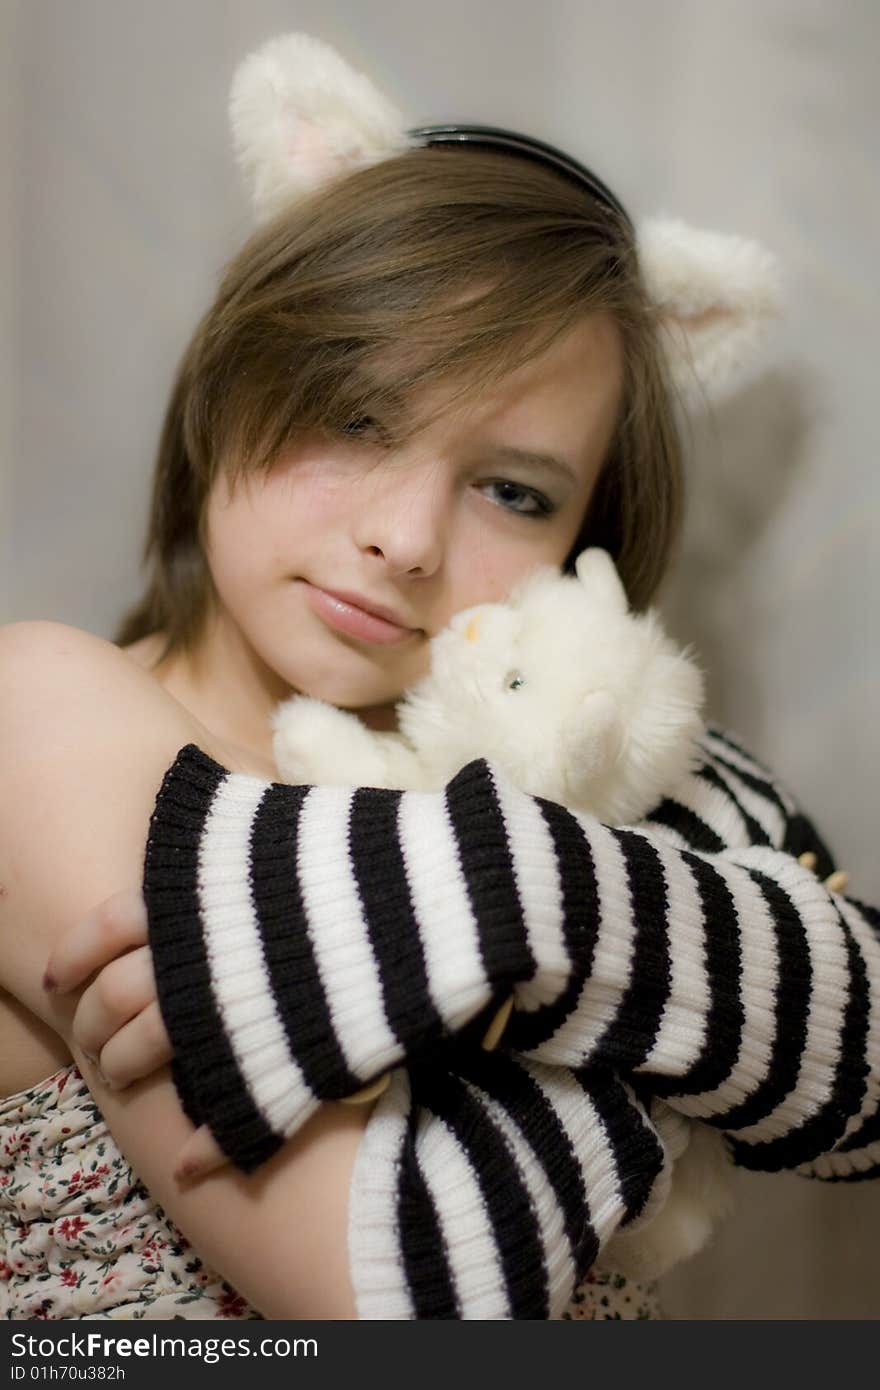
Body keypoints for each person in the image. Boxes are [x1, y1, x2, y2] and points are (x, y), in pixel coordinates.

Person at [2, 33, 878, 1322]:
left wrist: (525, 905)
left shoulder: (576, 786)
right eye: (357, 414)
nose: (406, 541)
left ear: (583, 548)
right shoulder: (40, 715)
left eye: (512, 490)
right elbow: (405, 1300)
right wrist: (653, 974)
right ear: (236, 376)